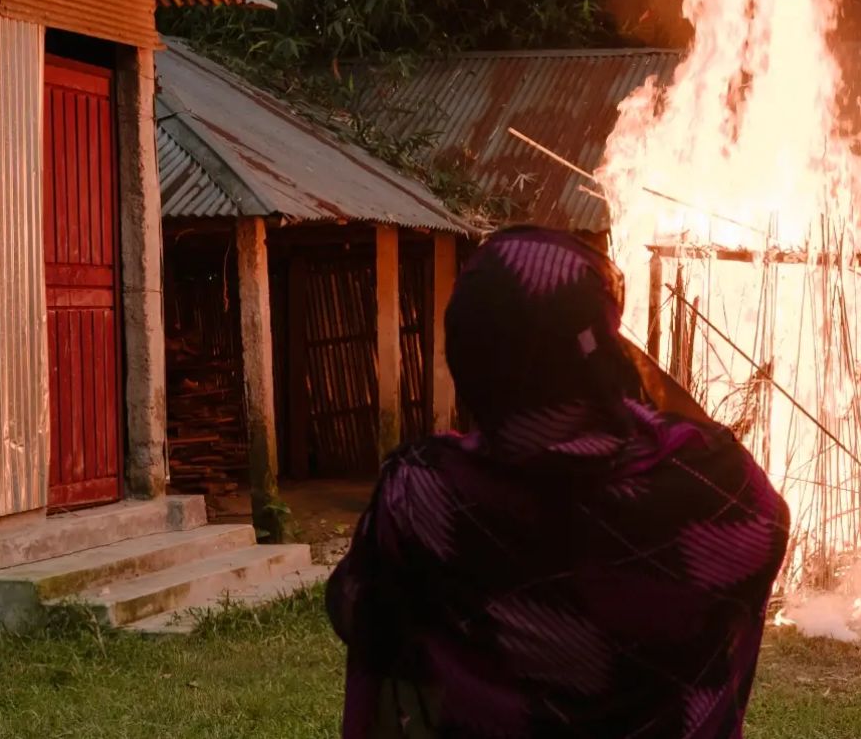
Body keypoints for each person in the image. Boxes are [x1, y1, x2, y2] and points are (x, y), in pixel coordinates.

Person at [327, 226, 790, 738]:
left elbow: (354, 609)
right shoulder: (721, 493)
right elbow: (761, 528)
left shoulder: (417, 497)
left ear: (467, 357)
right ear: (603, 352)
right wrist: (629, 397)